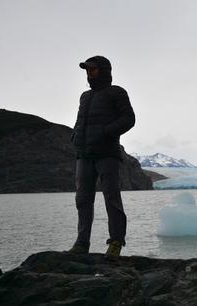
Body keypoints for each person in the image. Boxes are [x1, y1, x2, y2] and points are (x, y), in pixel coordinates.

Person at [68, 55, 135, 257]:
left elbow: (129, 119)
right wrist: (75, 135)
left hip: (107, 154)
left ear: (104, 70)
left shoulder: (116, 92)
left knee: (111, 199)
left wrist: (105, 132)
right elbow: (81, 121)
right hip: (84, 155)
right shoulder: (85, 96)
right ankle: (81, 243)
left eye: (93, 69)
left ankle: (115, 243)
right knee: (82, 200)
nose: (89, 72)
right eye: (87, 69)